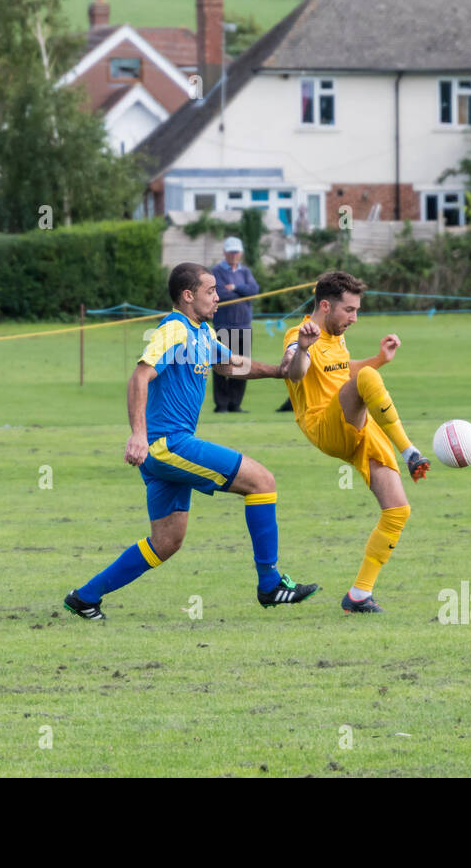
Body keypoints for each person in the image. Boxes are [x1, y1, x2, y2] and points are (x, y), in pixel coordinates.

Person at [64, 263, 319, 619]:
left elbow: (230, 364)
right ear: (188, 296)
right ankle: (270, 584)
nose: (218, 298)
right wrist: (138, 435)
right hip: (167, 445)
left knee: (167, 542)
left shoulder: (201, 332)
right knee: (262, 481)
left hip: (167, 450)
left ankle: (85, 597)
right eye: (211, 291)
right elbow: (140, 377)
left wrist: (280, 370)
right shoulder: (174, 331)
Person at [280, 271, 431, 614]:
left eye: (356, 310)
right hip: (325, 426)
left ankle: (359, 594)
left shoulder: (338, 337)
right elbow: (293, 371)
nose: (354, 318)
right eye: (348, 310)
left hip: (358, 425)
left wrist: (379, 360)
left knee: (397, 510)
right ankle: (410, 450)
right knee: (367, 379)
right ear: (324, 305)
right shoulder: (299, 334)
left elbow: (345, 373)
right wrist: (302, 348)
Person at [211, 236, 259, 413]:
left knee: (241, 366)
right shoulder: (216, 272)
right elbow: (220, 294)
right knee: (221, 365)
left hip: (244, 326)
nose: (233, 255)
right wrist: (240, 290)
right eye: (230, 252)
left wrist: (235, 288)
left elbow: (253, 291)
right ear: (224, 252)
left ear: (241, 253)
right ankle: (222, 405)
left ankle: (235, 404)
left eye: (236, 252)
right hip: (223, 325)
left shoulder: (245, 272)